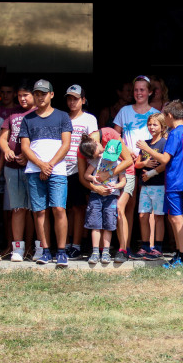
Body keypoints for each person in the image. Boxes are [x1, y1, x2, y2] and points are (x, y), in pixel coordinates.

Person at [18, 79, 72, 268]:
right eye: (37, 93)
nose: (40, 97)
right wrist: (41, 165)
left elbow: (66, 145)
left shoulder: (62, 116)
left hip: (56, 170)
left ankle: (62, 251)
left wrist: (49, 165)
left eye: (43, 93)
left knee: (58, 208)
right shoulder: (28, 118)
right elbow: (25, 147)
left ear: (51, 94)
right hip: (34, 170)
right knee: (40, 211)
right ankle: (46, 251)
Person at [137, 100, 183, 268]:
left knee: (176, 219)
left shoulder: (175, 133)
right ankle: (179, 253)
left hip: (175, 181)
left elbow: (165, 159)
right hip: (182, 179)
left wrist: (147, 148)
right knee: (173, 217)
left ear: (169, 116)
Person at [113, 75, 160, 261]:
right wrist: (126, 151)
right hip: (128, 162)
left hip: (150, 164)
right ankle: (125, 246)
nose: (139, 93)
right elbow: (114, 135)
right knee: (128, 206)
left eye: (142, 89)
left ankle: (149, 246)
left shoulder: (156, 113)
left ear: (150, 92)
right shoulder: (124, 111)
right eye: (136, 90)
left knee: (148, 208)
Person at [76, 128, 134, 261]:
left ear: (97, 143)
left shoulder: (110, 134)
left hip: (122, 170)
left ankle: (123, 250)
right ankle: (100, 250)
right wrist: (97, 189)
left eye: (99, 153)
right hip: (100, 185)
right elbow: (83, 177)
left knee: (119, 208)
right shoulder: (84, 148)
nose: (99, 157)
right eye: (93, 158)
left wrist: (107, 175)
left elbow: (128, 160)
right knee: (98, 217)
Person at [0, 82, 37, 262]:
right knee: (17, 208)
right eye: (20, 95)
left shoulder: (39, 113)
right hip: (12, 168)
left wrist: (29, 156)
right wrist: (6, 149)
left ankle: (30, 247)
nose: (22, 98)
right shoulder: (12, 114)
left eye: (26, 95)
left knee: (33, 209)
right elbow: (3, 138)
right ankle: (18, 248)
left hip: (32, 168)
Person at [63, 84, 98, 260]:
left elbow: (93, 142)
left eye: (75, 98)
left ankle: (76, 245)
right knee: (66, 208)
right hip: (62, 168)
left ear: (83, 100)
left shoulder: (89, 119)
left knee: (78, 208)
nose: (72, 102)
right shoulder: (62, 117)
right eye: (69, 98)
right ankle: (65, 243)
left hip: (80, 168)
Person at [132, 113, 167, 260]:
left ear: (162, 126)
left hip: (158, 185)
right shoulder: (145, 143)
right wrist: (145, 164)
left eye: (155, 124)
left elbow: (165, 163)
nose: (151, 127)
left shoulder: (164, 143)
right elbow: (137, 163)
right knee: (142, 215)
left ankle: (157, 248)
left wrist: (152, 172)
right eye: (150, 124)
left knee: (158, 216)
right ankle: (145, 246)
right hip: (145, 185)